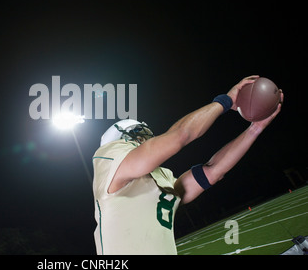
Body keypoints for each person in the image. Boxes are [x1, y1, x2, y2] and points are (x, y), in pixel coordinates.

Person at [92, 75, 283, 255]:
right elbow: (180, 136)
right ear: (128, 137)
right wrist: (225, 101)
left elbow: (212, 171)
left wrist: (255, 129)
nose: (149, 138)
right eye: (142, 135)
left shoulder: (160, 178)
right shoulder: (109, 159)